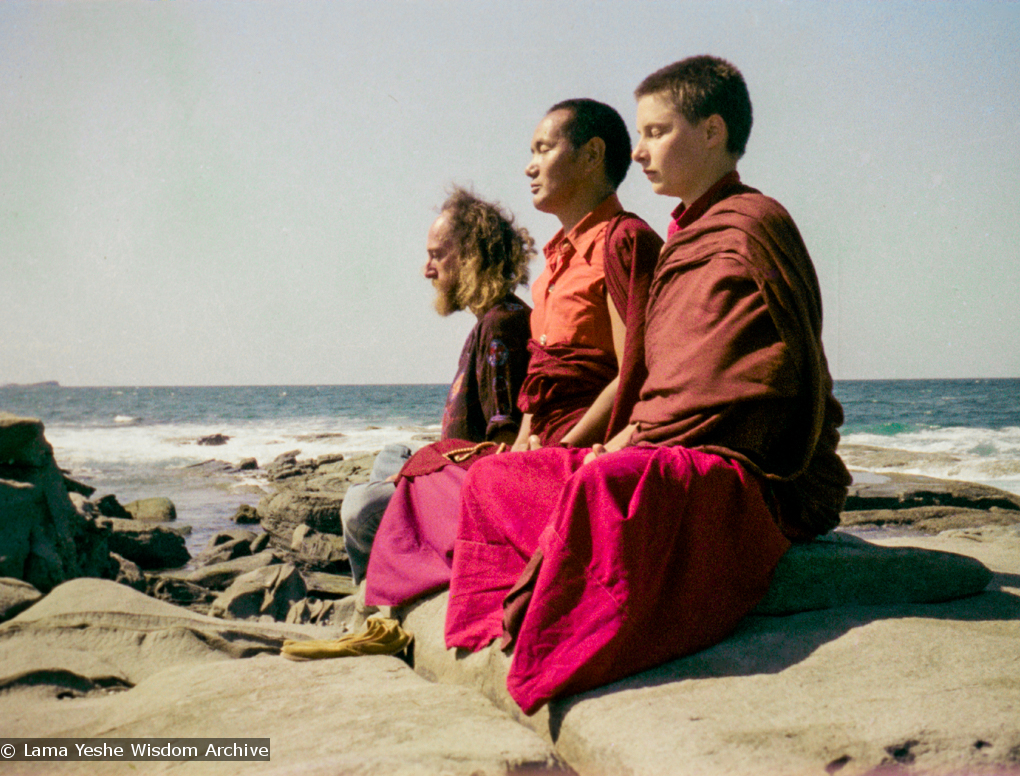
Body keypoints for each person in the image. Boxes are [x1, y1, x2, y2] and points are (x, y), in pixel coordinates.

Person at [444, 55, 853, 715]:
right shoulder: (686, 239)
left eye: (658, 132)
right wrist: (630, 434)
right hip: (659, 442)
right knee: (496, 481)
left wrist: (637, 439)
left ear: (713, 132)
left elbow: (767, 376)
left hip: (738, 465)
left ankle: (553, 625)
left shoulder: (754, 225)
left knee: (602, 485)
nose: (639, 152)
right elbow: (663, 374)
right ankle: (511, 604)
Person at [362, 99, 663, 607]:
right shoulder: (551, 274)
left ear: (592, 156)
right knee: (416, 474)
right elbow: (533, 392)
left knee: (386, 500)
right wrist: (524, 441)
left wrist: (554, 446)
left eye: (544, 149)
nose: (529, 166)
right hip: (540, 446)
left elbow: (635, 372)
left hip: (579, 451)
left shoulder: (623, 241)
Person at [340, 187, 534, 584]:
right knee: (392, 454)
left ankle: (372, 602)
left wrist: (428, 475)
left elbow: (502, 452)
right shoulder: (492, 319)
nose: (427, 270)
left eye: (435, 255)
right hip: (453, 471)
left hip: (463, 488)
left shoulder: (501, 327)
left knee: (358, 508)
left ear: (469, 257)